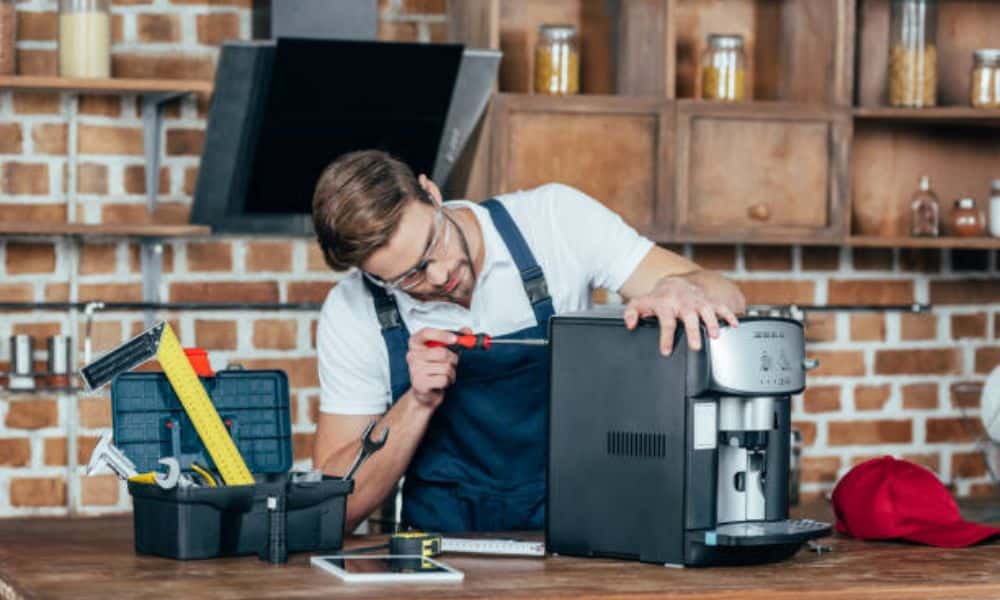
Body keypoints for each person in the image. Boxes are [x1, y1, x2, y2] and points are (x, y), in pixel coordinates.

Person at [311, 149, 745, 533]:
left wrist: (682, 288)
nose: (439, 276)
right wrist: (416, 404)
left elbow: (728, 295)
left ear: (431, 193)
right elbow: (336, 508)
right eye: (409, 277)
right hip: (442, 552)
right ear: (372, 276)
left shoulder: (554, 221)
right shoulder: (353, 311)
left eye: (433, 243)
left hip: (577, 533)